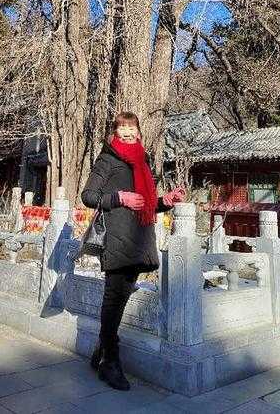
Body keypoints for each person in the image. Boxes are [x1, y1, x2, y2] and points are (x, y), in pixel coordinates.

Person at [81, 111, 185, 390]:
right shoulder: (108, 158)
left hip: (139, 240)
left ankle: (102, 350)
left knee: (122, 297)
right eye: (122, 128)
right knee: (114, 298)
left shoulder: (143, 160)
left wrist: (166, 199)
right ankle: (110, 362)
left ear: (139, 132)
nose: (127, 133)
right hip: (117, 239)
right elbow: (88, 196)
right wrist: (119, 198)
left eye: (131, 128)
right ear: (115, 132)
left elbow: (147, 202)